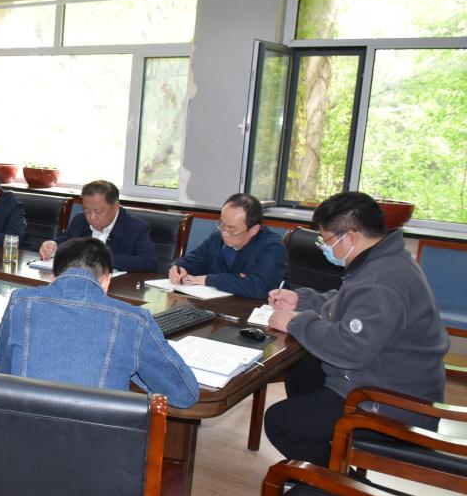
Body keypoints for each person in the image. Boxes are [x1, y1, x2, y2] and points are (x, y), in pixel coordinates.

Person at [263, 192, 448, 467]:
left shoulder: (381, 281)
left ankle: (337, 477)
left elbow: (350, 349)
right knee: (303, 371)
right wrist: (302, 301)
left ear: (350, 237)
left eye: (326, 241)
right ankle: (332, 445)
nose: (325, 248)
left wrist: (293, 322)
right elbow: (348, 305)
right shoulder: (382, 259)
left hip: (393, 404)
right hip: (387, 377)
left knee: (279, 422)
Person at [0, 237, 199, 407]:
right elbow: (185, 394)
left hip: (22, 436)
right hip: (98, 442)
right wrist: (131, 363)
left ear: (54, 277)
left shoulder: (20, 302)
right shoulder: (134, 320)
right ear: (107, 280)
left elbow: (2, 364)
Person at [170, 193, 287, 298]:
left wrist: (210, 280)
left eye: (232, 230)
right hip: (217, 307)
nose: (224, 234)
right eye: (222, 225)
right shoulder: (217, 238)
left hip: (256, 311)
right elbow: (193, 261)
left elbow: (259, 288)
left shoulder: (272, 247)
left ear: (253, 230)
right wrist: (178, 268)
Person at [38, 180, 157, 272]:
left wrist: (101, 258)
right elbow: (65, 241)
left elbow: (149, 263)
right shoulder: (80, 220)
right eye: (87, 211)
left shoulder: (136, 228)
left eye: (98, 212)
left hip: (116, 289)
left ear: (116, 207)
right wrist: (53, 245)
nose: (92, 217)